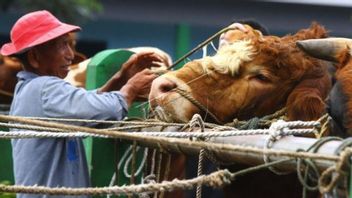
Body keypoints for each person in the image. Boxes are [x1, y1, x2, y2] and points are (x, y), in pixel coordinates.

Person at [0, 10, 163, 198]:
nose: (70, 55)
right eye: (62, 46)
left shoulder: (30, 89)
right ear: (34, 57)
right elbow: (105, 109)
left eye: (69, 45)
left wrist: (120, 79)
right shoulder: (45, 88)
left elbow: (87, 104)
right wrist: (131, 89)